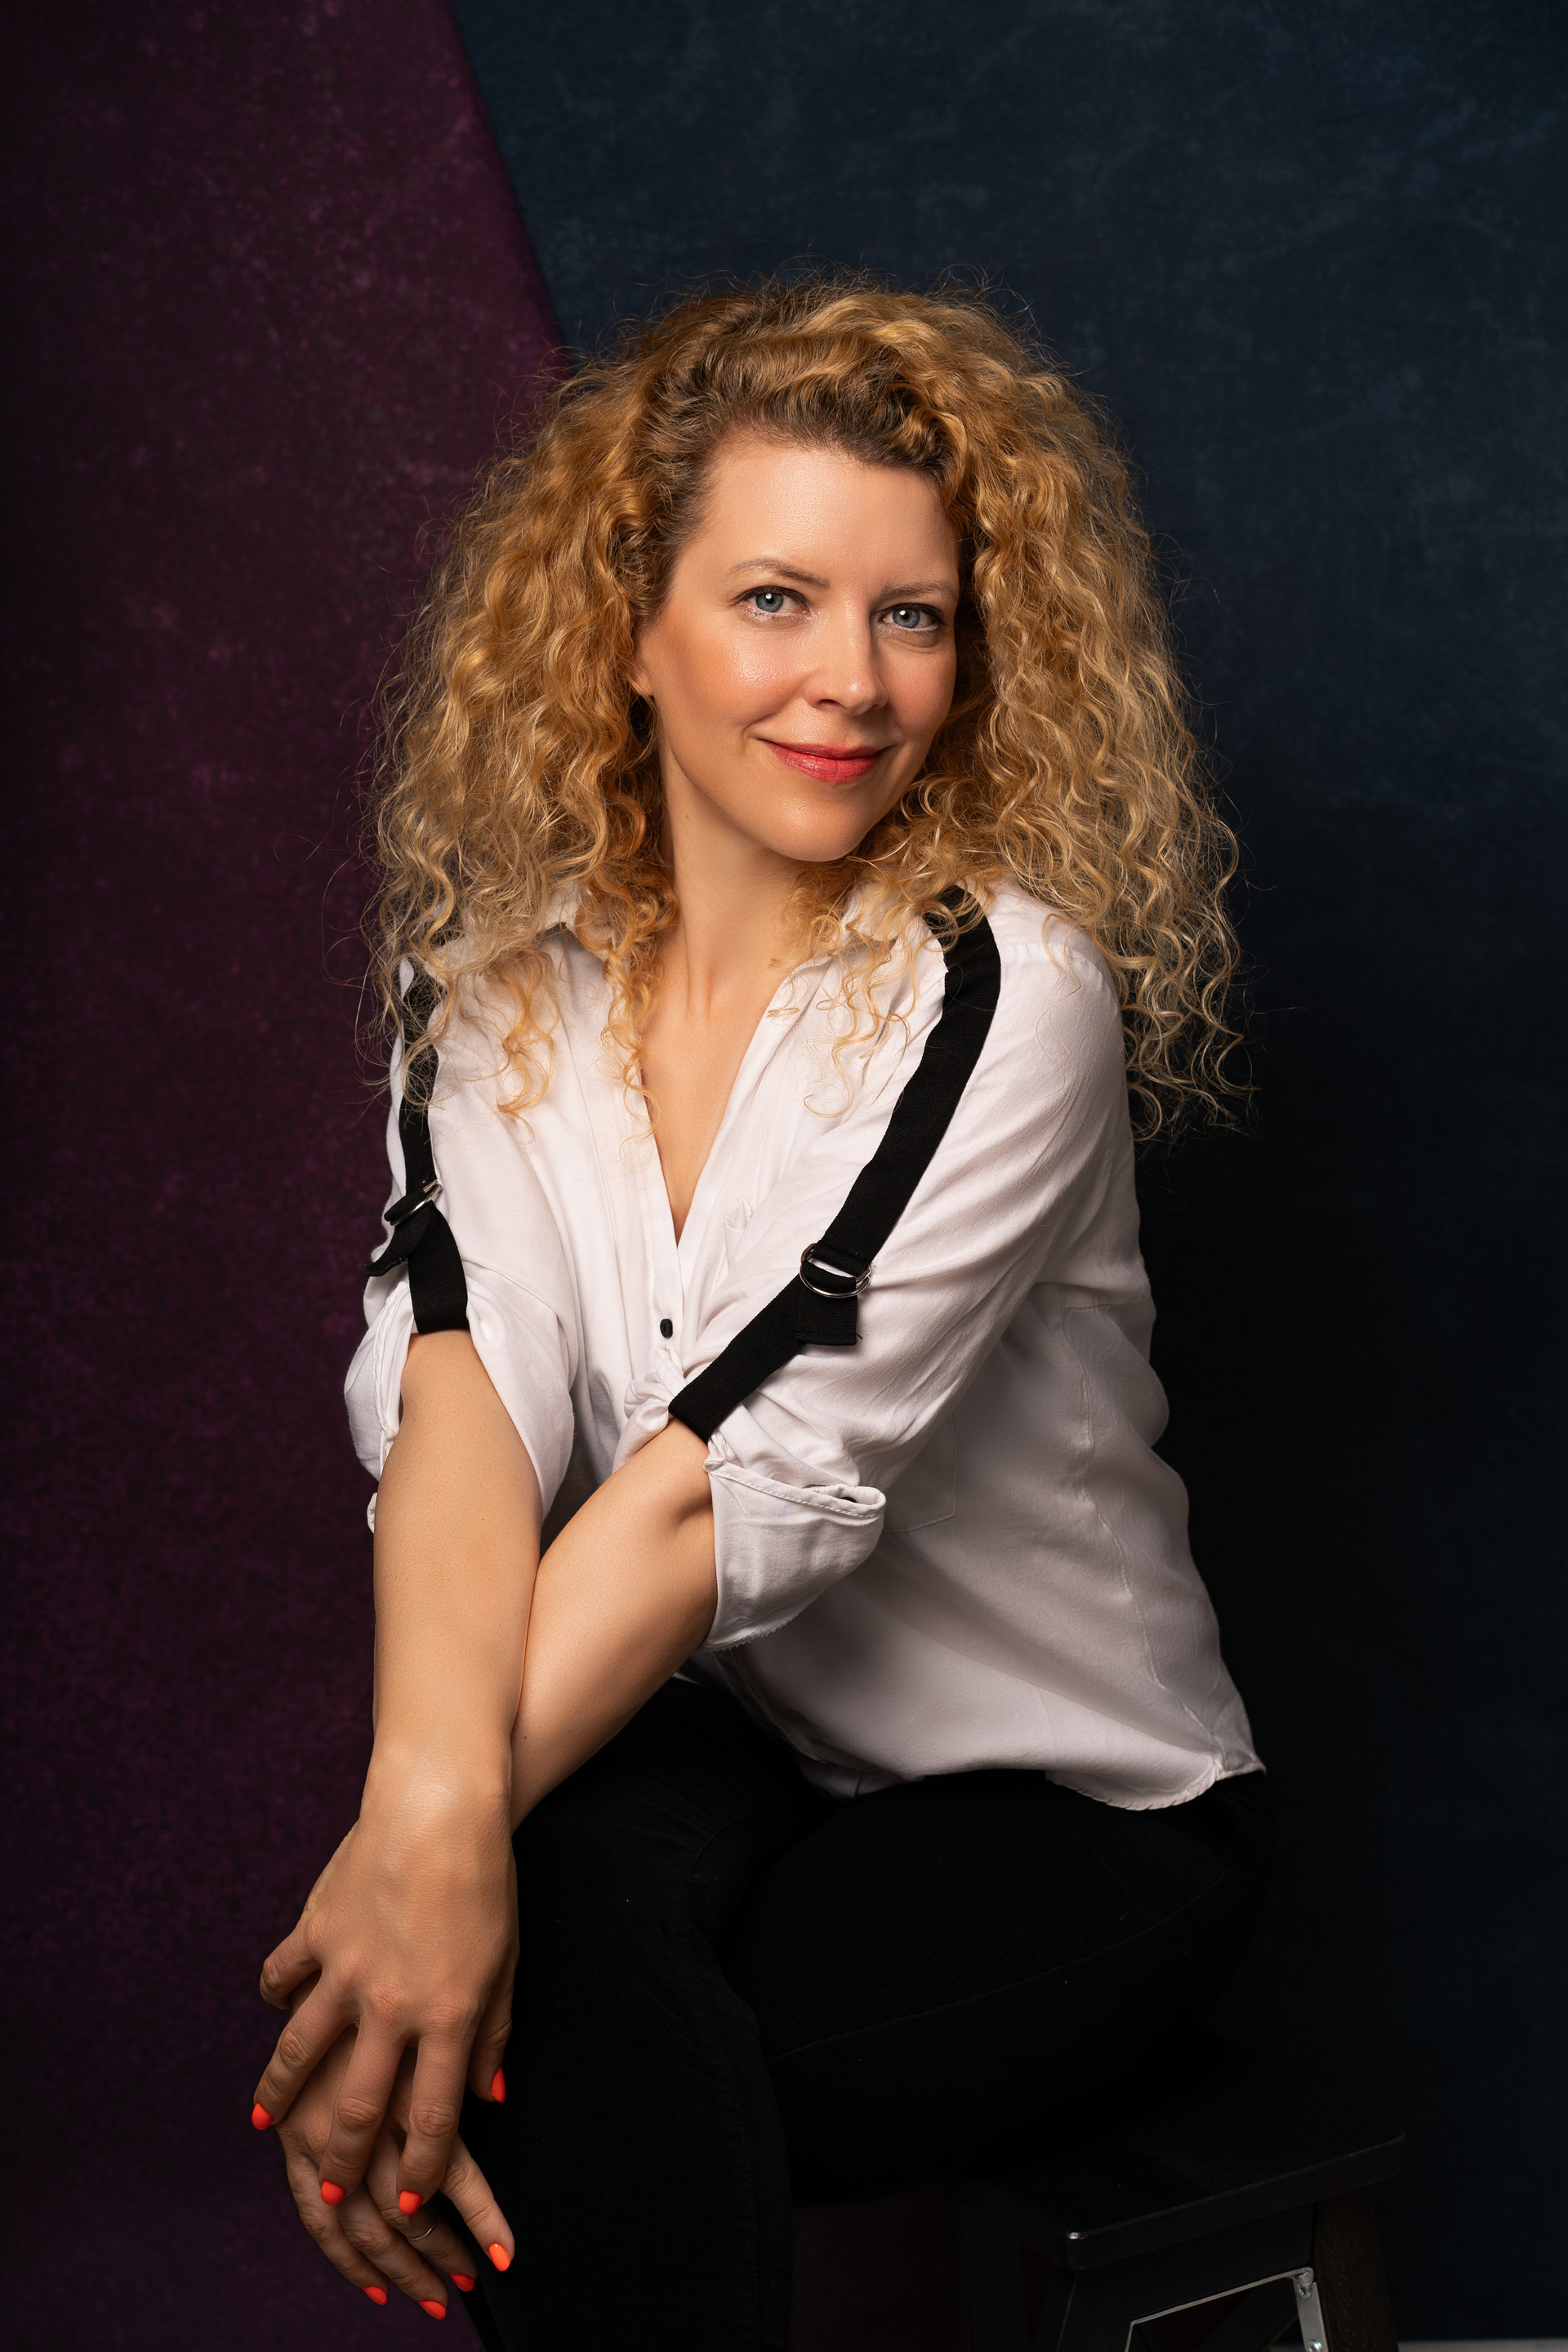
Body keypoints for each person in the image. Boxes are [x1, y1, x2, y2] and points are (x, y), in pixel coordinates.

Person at [250, 275, 1269, 2348]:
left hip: (1070, 1816)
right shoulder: (500, 981)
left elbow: (715, 1495)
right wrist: (418, 1827)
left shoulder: (1001, 990)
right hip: (744, 1742)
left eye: (915, 617)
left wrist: (398, 1888)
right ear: (630, 628)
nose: (855, 684)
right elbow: (463, 1406)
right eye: (778, 600)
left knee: (522, 2038)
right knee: (494, 1948)